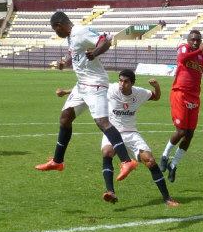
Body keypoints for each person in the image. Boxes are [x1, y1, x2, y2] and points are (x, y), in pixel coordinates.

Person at [35, 11, 138, 180]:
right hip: (81, 85)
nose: (56, 33)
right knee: (65, 118)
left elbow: (105, 42)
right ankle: (57, 161)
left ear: (59, 26)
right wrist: (65, 62)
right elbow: (75, 54)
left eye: (55, 30)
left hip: (95, 83)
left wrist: (96, 52)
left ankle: (127, 161)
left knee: (102, 122)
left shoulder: (80, 31)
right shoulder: (70, 37)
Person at [57, 69, 178, 207]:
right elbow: (88, 90)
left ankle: (167, 198)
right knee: (107, 153)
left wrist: (156, 86)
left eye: (126, 81)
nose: (122, 84)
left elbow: (156, 97)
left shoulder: (139, 93)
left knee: (150, 161)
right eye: (120, 80)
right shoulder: (111, 88)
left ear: (132, 83)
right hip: (112, 132)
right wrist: (65, 92)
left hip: (131, 133)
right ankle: (110, 191)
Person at [160, 29, 203, 182]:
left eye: (198, 40)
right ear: (188, 40)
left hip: (195, 97)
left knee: (189, 134)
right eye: (193, 39)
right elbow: (182, 58)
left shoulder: (201, 55)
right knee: (181, 131)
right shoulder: (184, 48)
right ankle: (164, 156)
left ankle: (173, 165)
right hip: (180, 93)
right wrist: (199, 50)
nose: (195, 42)